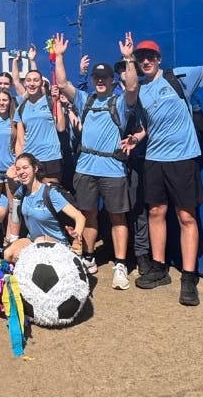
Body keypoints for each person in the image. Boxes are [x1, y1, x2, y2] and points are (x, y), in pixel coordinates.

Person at [133, 9, 203, 307]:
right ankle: (159, 268)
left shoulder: (179, 77)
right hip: (153, 160)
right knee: (156, 213)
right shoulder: (140, 92)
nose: (145, 61)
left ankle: (189, 277)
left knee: (186, 216)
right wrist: (138, 137)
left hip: (183, 160)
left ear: (158, 60)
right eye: (140, 58)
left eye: (150, 57)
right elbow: (150, 125)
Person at [53, 32, 139, 290]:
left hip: (113, 169)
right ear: (93, 80)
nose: (100, 81)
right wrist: (58, 56)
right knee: (88, 216)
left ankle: (120, 264)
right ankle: (89, 258)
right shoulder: (85, 100)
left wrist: (129, 58)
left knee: (117, 217)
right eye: (97, 78)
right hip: (85, 169)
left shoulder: (121, 103)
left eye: (105, 78)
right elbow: (63, 82)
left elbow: (133, 87)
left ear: (113, 81)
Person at [3, 153, 85, 265]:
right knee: (8, 253)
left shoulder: (50, 193)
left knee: (39, 242)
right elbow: (15, 215)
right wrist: (13, 239)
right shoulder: (20, 192)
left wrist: (76, 238)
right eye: (18, 169)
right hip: (33, 240)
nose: (21, 172)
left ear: (35, 168)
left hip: (56, 242)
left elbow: (80, 217)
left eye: (25, 168)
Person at [114, 56, 151, 276]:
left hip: (137, 160)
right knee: (117, 210)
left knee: (138, 209)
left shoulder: (144, 94)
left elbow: (149, 124)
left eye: (128, 69)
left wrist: (137, 139)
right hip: (116, 162)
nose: (125, 73)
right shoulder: (115, 97)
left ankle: (141, 255)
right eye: (122, 70)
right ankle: (121, 254)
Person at [13, 65, 64, 185]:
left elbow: (61, 127)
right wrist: (18, 163)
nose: (32, 84)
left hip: (50, 158)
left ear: (42, 83)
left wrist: (58, 102)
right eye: (29, 80)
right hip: (30, 160)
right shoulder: (21, 108)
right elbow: (20, 141)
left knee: (50, 195)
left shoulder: (51, 101)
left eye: (36, 80)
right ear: (25, 84)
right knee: (32, 197)